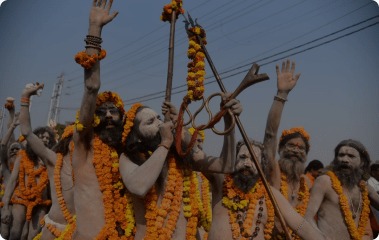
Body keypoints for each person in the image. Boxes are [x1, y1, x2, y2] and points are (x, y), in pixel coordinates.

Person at [205, 60, 326, 240]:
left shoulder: (269, 192)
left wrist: (281, 94)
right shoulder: (220, 182)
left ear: (262, 166)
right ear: (234, 160)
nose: (247, 162)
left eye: (254, 159)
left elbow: (302, 226)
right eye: (243, 157)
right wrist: (228, 119)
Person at [119, 93, 241, 239]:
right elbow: (139, 187)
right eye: (150, 122)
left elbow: (225, 165)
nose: (159, 123)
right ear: (137, 136)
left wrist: (229, 121)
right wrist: (164, 144)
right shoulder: (128, 158)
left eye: (159, 118)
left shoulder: (179, 155)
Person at [71, 1, 135, 238]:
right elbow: (91, 87)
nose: (108, 115)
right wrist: (94, 29)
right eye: (102, 111)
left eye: (114, 111)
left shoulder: (129, 156)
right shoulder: (83, 147)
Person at [16, 83, 76, 239]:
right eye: (75, 140)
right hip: (53, 228)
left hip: (79, 232)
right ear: (67, 142)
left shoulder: (92, 165)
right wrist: (26, 97)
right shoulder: (54, 160)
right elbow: (27, 132)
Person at [305, 139, 373, 240]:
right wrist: (320, 237)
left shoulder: (363, 188)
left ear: (362, 162)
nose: (344, 159)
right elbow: (307, 218)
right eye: (341, 155)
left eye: (351, 156)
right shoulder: (325, 181)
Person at [1, 124, 55, 239]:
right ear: (34, 140)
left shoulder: (51, 161)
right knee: (16, 233)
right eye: (42, 137)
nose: (45, 140)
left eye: (48, 138)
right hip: (21, 199)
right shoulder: (22, 156)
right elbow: (11, 183)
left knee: (32, 236)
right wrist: (5, 207)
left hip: (41, 203)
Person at [273, 125, 312, 238]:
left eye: (301, 148)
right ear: (280, 148)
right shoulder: (273, 172)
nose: (296, 150)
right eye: (291, 145)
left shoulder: (307, 182)